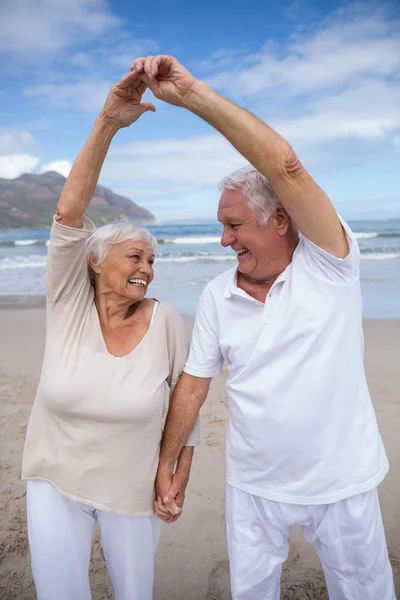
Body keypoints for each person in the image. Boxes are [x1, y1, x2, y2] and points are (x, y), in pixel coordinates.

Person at [132, 56, 396, 599]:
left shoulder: (331, 262)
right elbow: (194, 383)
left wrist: (194, 95)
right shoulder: (216, 295)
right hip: (253, 485)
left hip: (341, 481)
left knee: (366, 592)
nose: (224, 241)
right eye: (221, 227)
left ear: (279, 219)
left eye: (233, 225)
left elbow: (287, 168)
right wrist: (169, 463)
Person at [21, 69, 199, 600]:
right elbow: (68, 212)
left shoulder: (165, 320)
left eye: (153, 259)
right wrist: (107, 124)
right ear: (96, 263)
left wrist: (176, 473)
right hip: (53, 479)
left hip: (131, 486)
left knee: (135, 593)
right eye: (134, 256)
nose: (146, 267)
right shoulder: (69, 303)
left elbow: (185, 408)